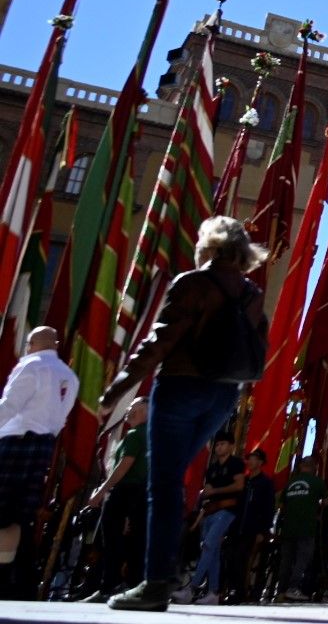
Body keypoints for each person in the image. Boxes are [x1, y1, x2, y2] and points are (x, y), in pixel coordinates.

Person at [100, 215, 268, 612]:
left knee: (164, 483)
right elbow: (258, 344)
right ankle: (166, 570)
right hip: (223, 395)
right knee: (173, 482)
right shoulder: (251, 293)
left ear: (210, 246)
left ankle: (157, 582)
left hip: (181, 386)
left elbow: (159, 342)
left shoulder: (192, 283)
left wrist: (117, 389)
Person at [0, 326, 76, 590]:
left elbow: (9, 405)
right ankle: (15, 580)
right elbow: (61, 418)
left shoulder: (32, 365)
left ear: (32, 343)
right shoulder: (70, 376)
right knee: (23, 514)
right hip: (43, 446)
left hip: (14, 441)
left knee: (3, 510)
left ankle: (6, 574)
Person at [81, 397, 151, 601]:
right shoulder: (151, 435)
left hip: (124, 491)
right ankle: (129, 585)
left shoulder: (136, 435)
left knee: (111, 540)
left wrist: (101, 491)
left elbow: (124, 465)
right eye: (129, 408)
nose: (129, 411)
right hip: (140, 492)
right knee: (133, 542)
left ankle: (107, 587)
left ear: (145, 411)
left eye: (134, 408)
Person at [176, 435, 245, 604]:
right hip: (209, 511)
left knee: (208, 546)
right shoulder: (212, 468)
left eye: (223, 444)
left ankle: (191, 588)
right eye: (218, 445)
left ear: (230, 446)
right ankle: (213, 592)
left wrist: (215, 491)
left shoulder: (236, 464)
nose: (219, 447)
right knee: (212, 551)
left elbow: (239, 486)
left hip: (226, 510)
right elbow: (207, 490)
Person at [272, 455, 325, 603]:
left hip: (288, 527)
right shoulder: (317, 482)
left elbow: (281, 505)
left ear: (301, 467)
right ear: (314, 467)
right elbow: (326, 500)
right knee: (302, 559)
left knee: (286, 560)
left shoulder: (290, 483)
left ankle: (280, 591)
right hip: (306, 527)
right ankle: (293, 588)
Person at [229, 449, 275, 602]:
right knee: (235, 559)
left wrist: (263, 530)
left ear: (260, 462)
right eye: (249, 458)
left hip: (254, 529)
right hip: (238, 526)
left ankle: (244, 592)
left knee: (245, 559)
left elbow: (268, 508)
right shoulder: (245, 481)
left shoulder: (266, 483)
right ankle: (234, 589)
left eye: (253, 458)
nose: (249, 461)